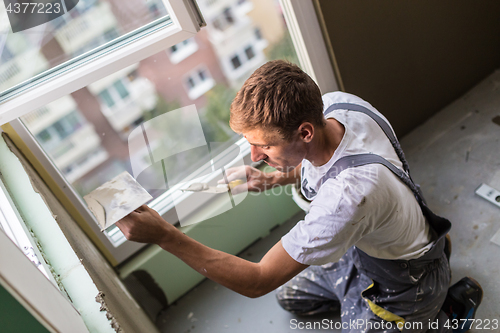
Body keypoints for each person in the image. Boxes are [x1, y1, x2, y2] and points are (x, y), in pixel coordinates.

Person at [116, 60, 482, 332]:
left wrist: (164, 235)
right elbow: (323, 165)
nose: (255, 158)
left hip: (405, 284)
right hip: (370, 244)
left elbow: (258, 279)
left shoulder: (347, 198)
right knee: (291, 297)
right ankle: (429, 258)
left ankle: (444, 311)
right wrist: (273, 178)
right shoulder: (338, 106)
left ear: (305, 131)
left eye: (263, 147)